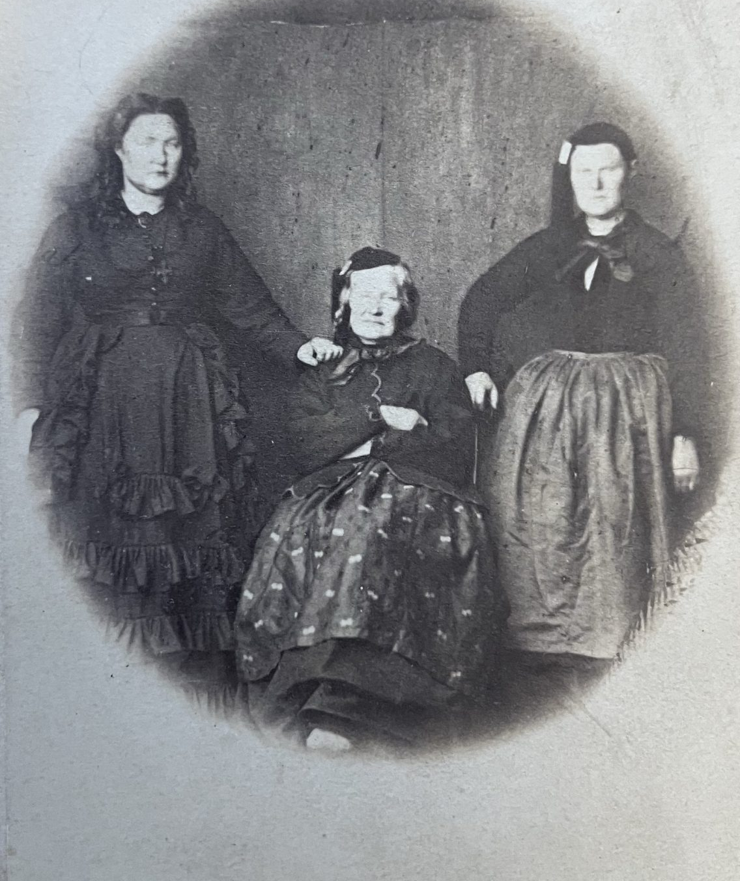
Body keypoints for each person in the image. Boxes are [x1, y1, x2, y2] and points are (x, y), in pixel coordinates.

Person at [12, 92, 340, 696]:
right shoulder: (77, 229)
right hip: (102, 404)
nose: (161, 156)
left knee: (188, 537)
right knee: (113, 536)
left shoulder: (202, 229)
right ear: (117, 150)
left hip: (188, 403)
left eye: (172, 144)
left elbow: (251, 309)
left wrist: (300, 347)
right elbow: (36, 320)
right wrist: (28, 403)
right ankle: (105, 690)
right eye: (146, 142)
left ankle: (185, 695)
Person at [235, 247, 507, 750]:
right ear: (344, 302)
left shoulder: (433, 367)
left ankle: (350, 710)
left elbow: (450, 447)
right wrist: (382, 418)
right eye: (365, 294)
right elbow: (299, 441)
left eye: (389, 295)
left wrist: (366, 446)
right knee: (296, 536)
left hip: (416, 500)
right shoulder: (321, 369)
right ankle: (304, 694)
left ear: (405, 304)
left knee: (371, 522)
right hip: (322, 500)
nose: (376, 307)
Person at [458, 122, 704, 668]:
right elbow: (480, 302)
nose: (595, 183)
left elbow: (690, 345)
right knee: (542, 524)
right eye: (582, 171)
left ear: (630, 174)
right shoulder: (549, 247)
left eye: (607, 169)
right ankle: (546, 647)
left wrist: (685, 434)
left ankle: (605, 653)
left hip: (628, 414)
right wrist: (475, 369)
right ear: (568, 177)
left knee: (615, 533)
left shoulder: (658, 254)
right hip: (546, 418)